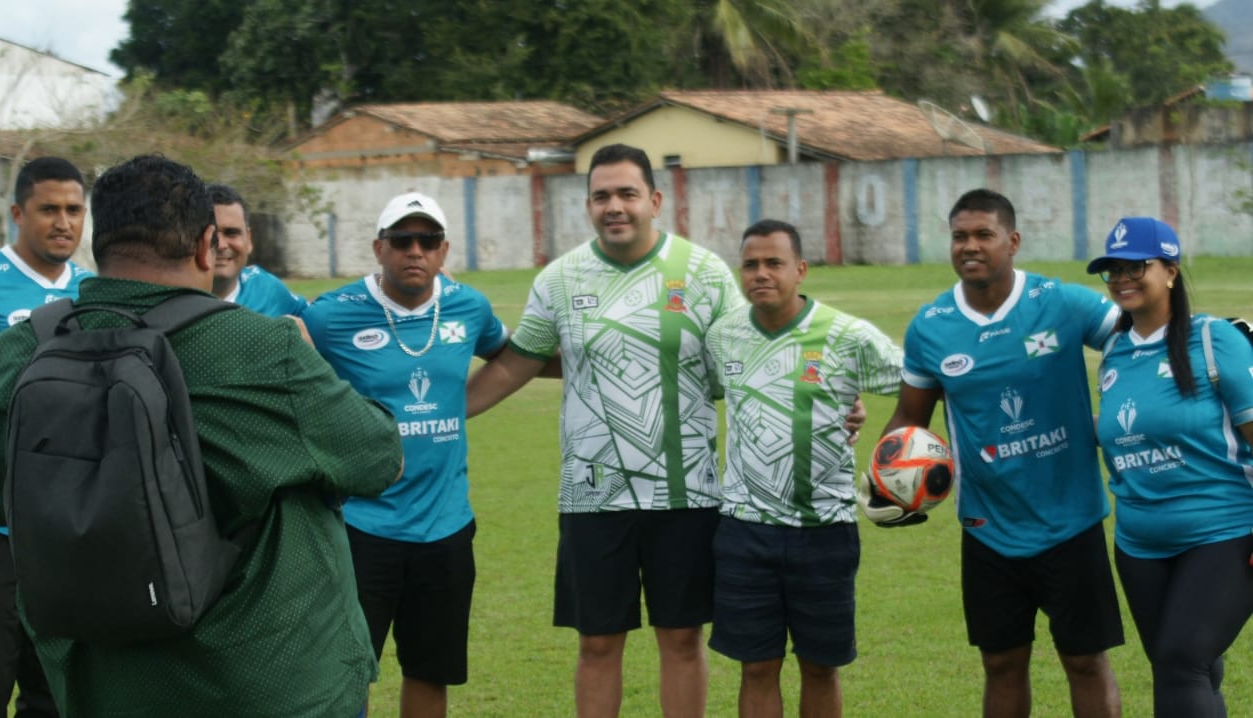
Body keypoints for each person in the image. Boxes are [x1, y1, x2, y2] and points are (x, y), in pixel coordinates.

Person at [0, 154, 404, 718]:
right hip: (268, 683)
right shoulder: (264, 348)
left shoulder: (18, 353)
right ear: (206, 246)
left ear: (98, 244)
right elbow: (378, 458)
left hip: (97, 681)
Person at [465, 143, 746, 718]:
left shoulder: (704, 273)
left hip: (686, 491)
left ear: (655, 200)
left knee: (682, 638)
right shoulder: (560, 280)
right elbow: (519, 361)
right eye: (601, 196)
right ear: (587, 204)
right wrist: (437, 415)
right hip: (593, 493)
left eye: (627, 194)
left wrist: (825, 410)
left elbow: (750, 365)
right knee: (596, 643)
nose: (614, 206)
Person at [876, 188, 1124, 718]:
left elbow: (1142, 339)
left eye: (983, 234)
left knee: (1085, 661)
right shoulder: (931, 326)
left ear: (1012, 241)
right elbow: (909, 417)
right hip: (988, 528)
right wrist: (887, 476)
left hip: (1072, 522)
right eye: (959, 236)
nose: (970, 246)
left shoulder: (1063, 303)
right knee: (1002, 663)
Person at [302, 191, 509, 718]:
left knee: (430, 671)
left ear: (443, 250)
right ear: (379, 248)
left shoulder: (469, 306)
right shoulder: (331, 316)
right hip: (360, 526)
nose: (414, 250)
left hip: (445, 526)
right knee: (348, 671)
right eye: (401, 240)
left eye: (428, 240)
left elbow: (512, 357)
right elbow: (291, 375)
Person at [705, 219, 903, 718]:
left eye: (774, 263)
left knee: (820, 666)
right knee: (756, 666)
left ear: (801, 269)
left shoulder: (846, 335)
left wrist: (872, 424)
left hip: (825, 529)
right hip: (744, 529)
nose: (761, 274)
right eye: (750, 264)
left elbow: (916, 380)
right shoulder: (723, 337)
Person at [1086, 217, 1253, 717]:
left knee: (1183, 662)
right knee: (1184, 665)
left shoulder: (1213, 340)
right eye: (1112, 270)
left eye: (1137, 266)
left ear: (1171, 272)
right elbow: (1122, 431)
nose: (1122, 278)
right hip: (1140, 544)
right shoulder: (1114, 352)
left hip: (1223, 532)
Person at [0, 155, 90, 718]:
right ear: (18, 213)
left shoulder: (96, 291)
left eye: (73, 210)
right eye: (48, 209)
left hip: (68, 518)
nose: (63, 222)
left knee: (56, 684)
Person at [206, 183, 309, 317]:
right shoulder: (174, 302)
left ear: (248, 239)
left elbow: (314, 320)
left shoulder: (267, 288)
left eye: (231, 233)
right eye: (211, 234)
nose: (221, 245)